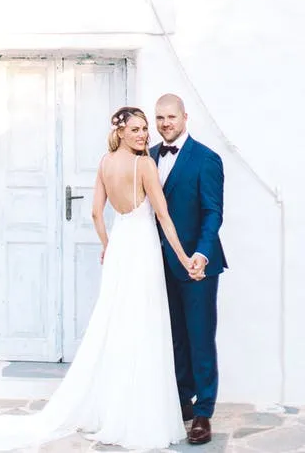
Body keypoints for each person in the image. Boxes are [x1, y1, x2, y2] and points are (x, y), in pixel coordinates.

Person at [0, 106, 194, 452]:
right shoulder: (146, 165)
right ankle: (137, 415)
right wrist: (184, 258)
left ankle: (115, 409)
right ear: (121, 132)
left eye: (144, 129)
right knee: (142, 324)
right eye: (136, 129)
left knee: (116, 324)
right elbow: (164, 216)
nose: (143, 135)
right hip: (141, 247)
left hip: (122, 245)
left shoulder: (105, 164)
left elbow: (96, 212)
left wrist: (108, 245)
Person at [152, 94, 227, 446]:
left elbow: (213, 212)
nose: (165, 123)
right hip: (156, 264)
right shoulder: (148, 156)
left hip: (197, 266)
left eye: (171, 117)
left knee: (199, 336)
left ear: (184, 117)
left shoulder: (206, 159)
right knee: (173, 337)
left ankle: (204, 411)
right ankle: (182, 400)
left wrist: (202, 254)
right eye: (159, 118)